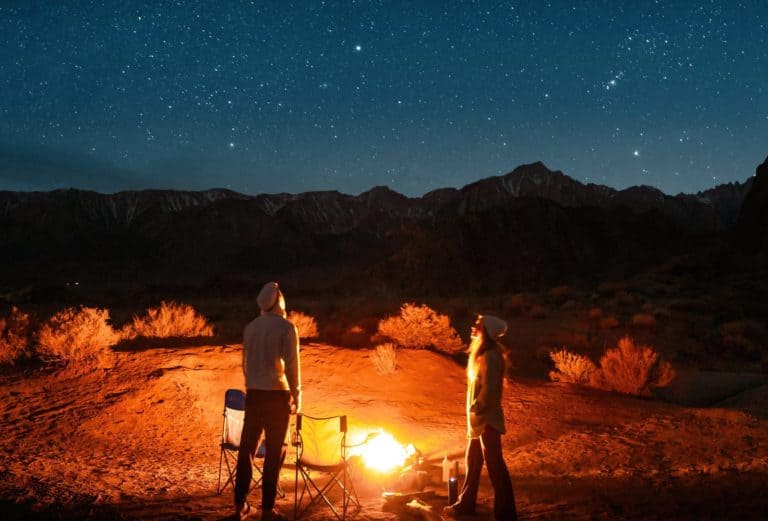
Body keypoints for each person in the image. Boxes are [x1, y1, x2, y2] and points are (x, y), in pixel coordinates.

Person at [235, 282, 301, 521]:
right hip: (276, 395)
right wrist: (297, 394)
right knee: (275, 451)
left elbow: (245, 363)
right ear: (279, 301)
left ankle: (239, 504)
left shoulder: (250, 328)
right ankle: (267, 510)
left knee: (247, 449)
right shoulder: (286, 328)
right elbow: (292, 366)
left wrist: (252, 384)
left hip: (253, 394)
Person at [444, 314, 518, 521]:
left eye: (478, 324)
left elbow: (490, 389)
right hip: (478, 421)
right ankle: (466, 504)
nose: (473, 326)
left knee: (495, 466)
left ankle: (506, 514)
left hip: (486, 420)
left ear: (485, 330)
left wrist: (478, 408)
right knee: (473, 460)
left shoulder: (490, 356)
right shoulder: (481, 353)